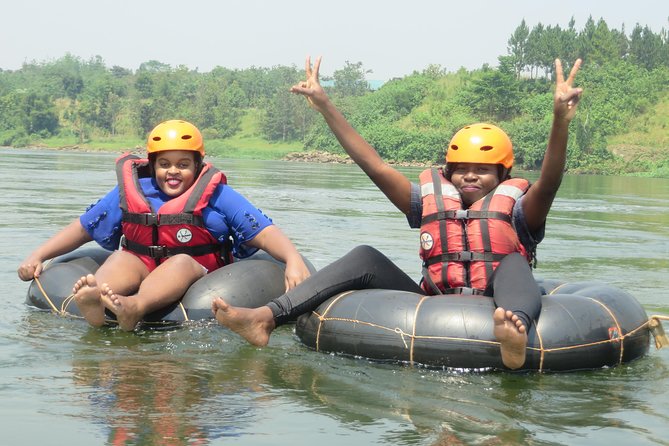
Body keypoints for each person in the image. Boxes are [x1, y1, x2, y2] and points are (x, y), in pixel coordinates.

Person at [213, 57, 583, 369]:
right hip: (433, 303)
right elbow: (374, 165)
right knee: (364, 257)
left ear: (503, 175)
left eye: (483, 169)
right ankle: (265, 317)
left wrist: (559, 122)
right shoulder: (428, 202)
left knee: (513, 264)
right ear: (448, 172)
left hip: (498, 300)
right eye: (461, 168)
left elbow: (549, 181)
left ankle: (513, 329)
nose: (470, 175)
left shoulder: (521, 212)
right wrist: (325, 105)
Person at [18, 119, 310, 331]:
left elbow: (263, 231)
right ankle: (96, 303)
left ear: (198, 165)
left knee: (180, 261)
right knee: (123, 256)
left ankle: (136, 307)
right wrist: (39, 255)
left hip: (196, 270)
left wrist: (293, 259)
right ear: (152, 164)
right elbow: (83, 228)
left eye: (183, 164)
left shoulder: (219, 196)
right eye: (164, 164)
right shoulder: (134, 191)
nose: (173, 171)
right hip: (142, 262)